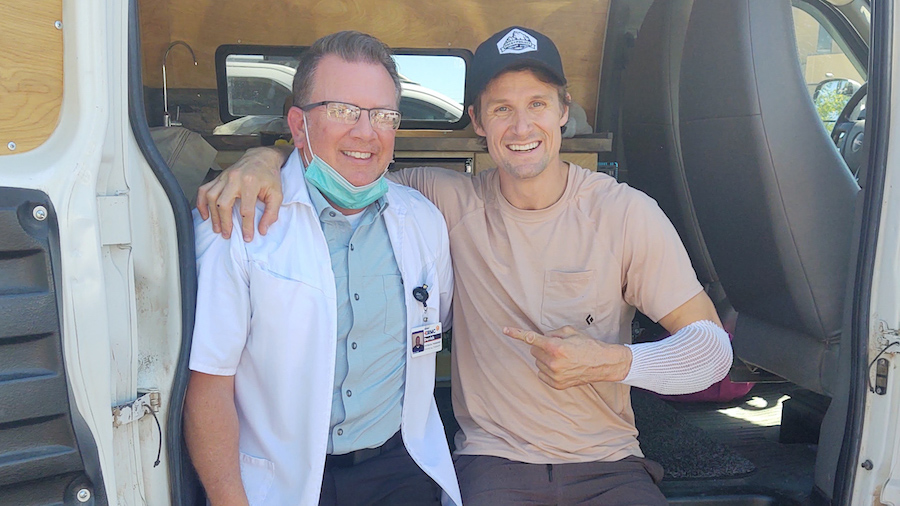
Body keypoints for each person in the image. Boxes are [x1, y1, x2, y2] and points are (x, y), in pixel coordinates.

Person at [197, 26, 733, 505]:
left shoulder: (625, 212)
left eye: (538, 104)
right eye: (501, 108)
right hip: (493, 464)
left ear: (564, 110)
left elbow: (712, 353)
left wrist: (610, 362)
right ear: (477, 120)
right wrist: (263, 158)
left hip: (609, 465)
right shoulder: (439, 201)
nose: (521, 126)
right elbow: (348, 165)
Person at [184, 31, 461, 506]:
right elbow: (209, 387)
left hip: (399, 466)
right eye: (342, 111)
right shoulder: (235, 224)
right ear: (298, 125)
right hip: (281, 482)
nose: (365, 132)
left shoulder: (423, 221)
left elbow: (436, 325)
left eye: (383, 116)